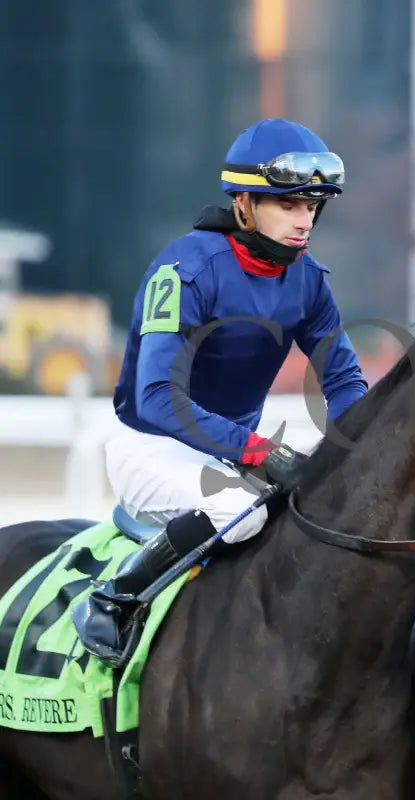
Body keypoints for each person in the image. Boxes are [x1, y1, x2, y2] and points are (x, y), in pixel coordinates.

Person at [72, 118, 369, 665]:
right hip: (151, 447)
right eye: (289, 205)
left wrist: (358, 448)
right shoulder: (184, 270)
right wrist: (258, 450)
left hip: (228, 455)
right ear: (244, 204)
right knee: (244, 511)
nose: (304, 221)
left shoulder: (308, 280)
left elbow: (345, 380)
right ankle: (114, 600)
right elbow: (155, 398)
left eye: (312, 207)